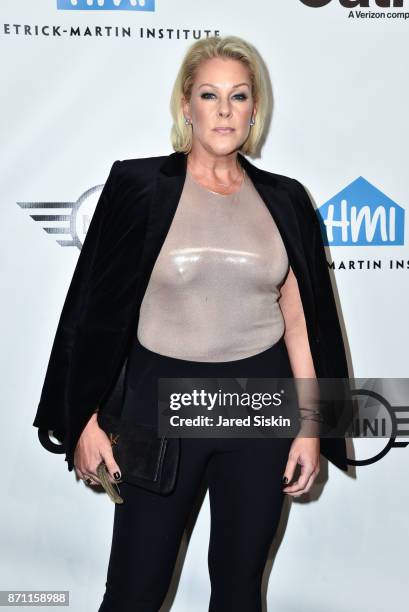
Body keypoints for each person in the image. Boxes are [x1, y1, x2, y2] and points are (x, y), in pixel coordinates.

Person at [33, 35, 351, 612]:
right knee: (135, 590)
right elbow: (89, 314)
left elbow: (302, 328)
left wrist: (310, 427)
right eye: (210, 95)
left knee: (238, 587)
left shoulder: (285, 200)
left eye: (239, 96)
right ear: (187, 105)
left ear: (256, 109)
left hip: (260, 406)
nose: (225, 110)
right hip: (159, 408)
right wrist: (82, 419)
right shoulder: (137, 188)